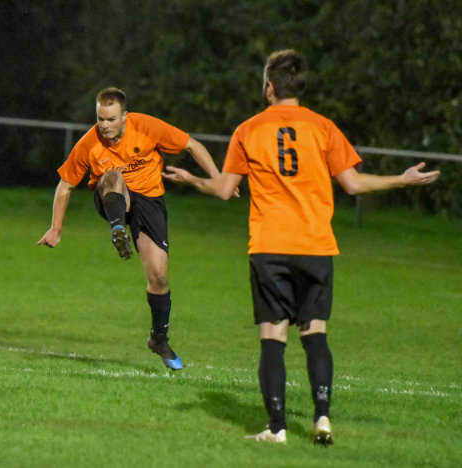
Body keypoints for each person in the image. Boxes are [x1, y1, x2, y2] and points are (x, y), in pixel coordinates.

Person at [163, 49, 440, 444]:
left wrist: (192, 180)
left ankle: (277, 428)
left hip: (270, 246)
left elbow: (225, 190)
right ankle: (322, 417)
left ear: (269, 88)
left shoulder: (249, 129)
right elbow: (352, 184)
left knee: (273, 338)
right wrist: (402, 179)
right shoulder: (323, 127)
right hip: (315, 245)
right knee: (315, 334)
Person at [37, 87, 222, 371]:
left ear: (125, 116)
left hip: (149, 201)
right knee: (113, 175)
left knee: (158, 276)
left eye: (111, 119)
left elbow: (191, 145)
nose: (104, 125)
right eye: (100, 118)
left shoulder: (147, 127)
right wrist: (56, 228)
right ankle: (117, 229)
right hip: (112, 197)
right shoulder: (90, 142)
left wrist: (218, 179)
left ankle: (158, 339)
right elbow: (65, 186)